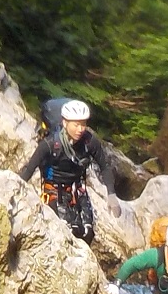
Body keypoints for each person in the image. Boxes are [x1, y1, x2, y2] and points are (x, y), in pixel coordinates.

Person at [16, 98, 113, 242]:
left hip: (77, 189)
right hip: (54, 190)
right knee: (66, 232)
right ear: (65, 122)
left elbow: (104, 166)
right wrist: (15, 189)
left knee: (87, 233)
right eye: (76, 125)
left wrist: (111, 194)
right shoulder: (50, 144)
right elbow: (29, 168)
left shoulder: (90, 142)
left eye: (84, 124)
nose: (80, 129)